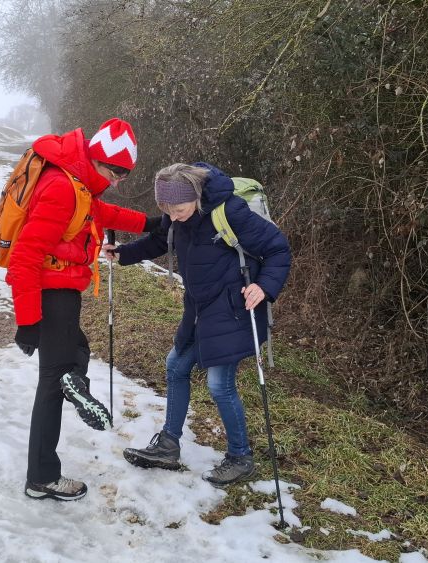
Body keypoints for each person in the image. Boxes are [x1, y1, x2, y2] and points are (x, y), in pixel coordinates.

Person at [103, 162, 291, 486]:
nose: (173, 216)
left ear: (195, 197)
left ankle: (241, 457)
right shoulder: (177, 215)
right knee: (176, 365)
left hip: (234, 308)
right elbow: (160, 241)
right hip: (200, 308)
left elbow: (278, 249)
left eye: (178, 209)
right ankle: (167, 446)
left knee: (220, 384)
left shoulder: (228, 212)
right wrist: (122, 254)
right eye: (167, 211)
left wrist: (264, 287)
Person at [7, 118, 160, 501]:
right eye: (115, 171)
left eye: (124, 174)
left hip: (58, 292)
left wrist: (151, 224)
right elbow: (24, 256)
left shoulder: (77, 180)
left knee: (72, 359)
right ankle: (42, 476)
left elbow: (102, 213)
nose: (119, 180)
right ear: (97, 158)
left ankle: (76, 384)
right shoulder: (63, 187)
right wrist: (27, 322)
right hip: (52, 292)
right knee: (55, 380)